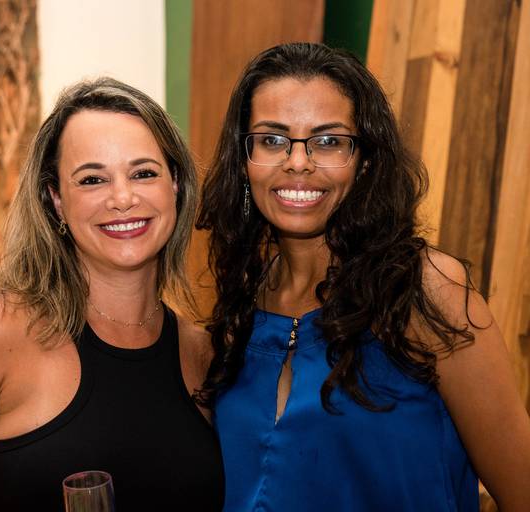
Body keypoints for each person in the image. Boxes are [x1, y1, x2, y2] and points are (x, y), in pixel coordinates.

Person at [197, 42, 530, 511]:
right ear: (243, 159)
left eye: (328, 141)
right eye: (272, 140)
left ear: (365, 160)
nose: (298, 162)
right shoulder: (244, 306)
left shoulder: (425, 290)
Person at [0, 77, 224, 511]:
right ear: (56, 199)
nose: (123, 198)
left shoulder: (203, 354)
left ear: (174, 184)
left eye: (143, 173)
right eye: (92, 180)